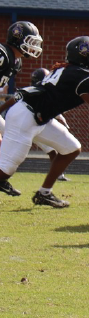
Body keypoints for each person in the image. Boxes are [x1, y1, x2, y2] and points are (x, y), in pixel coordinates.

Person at [0, 36, 89, 207]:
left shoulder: (64, 70)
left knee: (71, 148)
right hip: (25, 117)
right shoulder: (82, 76)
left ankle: (44, 193)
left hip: (37, 117)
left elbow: (26, 92)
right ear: (86, 57)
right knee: (5, 170)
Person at [0, 21, 43, 198]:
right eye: (30, 41)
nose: (34, 46)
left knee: (6, 142)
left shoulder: (15, 61)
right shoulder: (2, 54)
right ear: (18, 39)